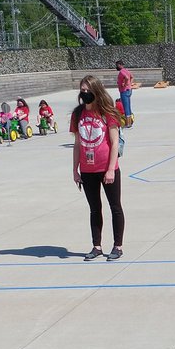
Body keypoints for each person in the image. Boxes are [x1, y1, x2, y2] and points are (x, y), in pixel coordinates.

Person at [70, 75, 125, 261]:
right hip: (87, 170)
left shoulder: (107, 112)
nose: (84, 94)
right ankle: (96, 246)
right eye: (82, 90)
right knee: (94, 208)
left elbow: (114, 141)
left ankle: (118, 246)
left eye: (88, 90)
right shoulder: (77, 114)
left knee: (115, 207)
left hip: (107, 168)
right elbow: (77, 144)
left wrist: (110, 169)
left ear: (96, 91)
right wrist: (75, 170)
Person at [115, 59, 136, 127]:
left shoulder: (121, 72)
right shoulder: (126, 71)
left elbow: (127, 77)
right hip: (129, 90)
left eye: (117, 65)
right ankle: (130, 122)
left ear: (120, 65)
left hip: (124, 91)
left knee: (126, 107)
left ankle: (128, 124)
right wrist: (130, 84)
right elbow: (131, 77)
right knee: (128, 106)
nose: (116, 67)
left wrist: (125, 84)